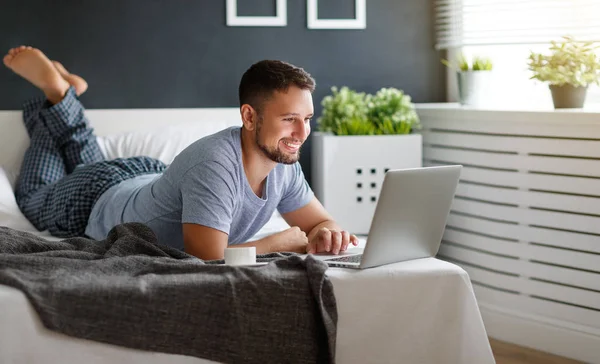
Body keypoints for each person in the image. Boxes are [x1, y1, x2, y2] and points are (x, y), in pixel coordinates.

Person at [3, 46, 359, 260]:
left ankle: (64, 96)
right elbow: (206, 258)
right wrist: (276, 242)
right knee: (33, 196)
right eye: (289, 120)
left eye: (307, 119)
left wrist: (329, 232)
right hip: (92, 199)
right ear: (249, 116)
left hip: (142, 174)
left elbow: (319, 222)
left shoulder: (283, 160)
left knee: (84, 158)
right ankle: (55, 98)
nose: (302, 133)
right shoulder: (215, 164)